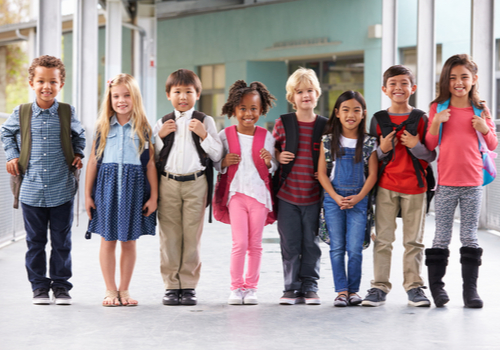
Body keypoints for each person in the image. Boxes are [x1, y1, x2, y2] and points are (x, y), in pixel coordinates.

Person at [1, 55, 86, 305]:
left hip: (62, 188)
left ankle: (61, 287)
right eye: (41, 81)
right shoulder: (22, 112)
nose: (46, 86)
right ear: (31, 83)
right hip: (31, 190)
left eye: (52, 81)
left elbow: (79, 136)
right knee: (35, 242)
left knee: (62, 242)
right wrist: (12, 156)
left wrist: (79, 154)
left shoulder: (67, 112)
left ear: (61, 84)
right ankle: (39, 287)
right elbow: (5, 133)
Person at [425, 54, 497, 308]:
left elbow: (493, 143)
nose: (458, 82)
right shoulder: (439, 108)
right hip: (446, 184)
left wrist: (484, 128)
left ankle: (471, 292)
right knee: (441, 237)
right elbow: (430, 145)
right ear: (445, 80)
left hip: (473, 183)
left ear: (474, 79)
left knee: (470, 237)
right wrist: (435, 122)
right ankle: (437, 288)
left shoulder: (480, 109)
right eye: (452, 78)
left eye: (464, 77)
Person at [362, 65, 436, 307]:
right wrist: (382, 149)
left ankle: (414, 287)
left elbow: (430, 156)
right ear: (385, 89)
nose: (399, 88)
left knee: (413, 241)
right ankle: (379, 287)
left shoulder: (422, 119)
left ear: (412, 88)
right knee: (383, 240)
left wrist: (415, 144)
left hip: (416, 187)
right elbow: (371, 156)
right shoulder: (378, 119)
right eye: (393, 84)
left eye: (404, 83)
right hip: (385, 187)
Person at [85, 73, 157, 307]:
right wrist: (87, 195)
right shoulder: (103, 127)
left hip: (134, 191)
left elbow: (150, 164)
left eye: (126, 95)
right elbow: (93, 162)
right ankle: (109, 290)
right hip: (106, 190)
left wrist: (154, 196)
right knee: (107, 240)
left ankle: (124, 291)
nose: (121, 100)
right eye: (116, 96)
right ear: (110, 99)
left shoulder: (144, 129)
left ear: (135, 97)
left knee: (128, 241)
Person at [154, 69, 222, 306]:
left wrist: (204, 135)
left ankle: (189, 285)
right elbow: (150, 156)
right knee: (169, 236)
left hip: (196, 183)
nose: (183, 97)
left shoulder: (205, 121)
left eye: (188, 92)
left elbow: (218, 155)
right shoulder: (162, 122)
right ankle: (172, 285)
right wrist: (160, 137)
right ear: (168, 95)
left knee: (192, 236)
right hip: (167, 183)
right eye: (177, 92)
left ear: (198, 94)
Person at [213, 80, 277, 305]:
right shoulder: (225, 135)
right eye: (242, 108)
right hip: (236, 195)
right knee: (239, 243)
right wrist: (223, 162)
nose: (248, 113)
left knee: (255, 244)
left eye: (253, 109)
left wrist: (269, 163)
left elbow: (273, 167)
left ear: (261, 110)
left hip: (259, 197)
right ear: (233, 110)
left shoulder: (266, 136)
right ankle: (235, 287)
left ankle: (251, 288)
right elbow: (217, 163)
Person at [273, 67, 327, 305]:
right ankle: (291, 287)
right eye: (299, 91)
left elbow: (332, 155)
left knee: (311, 243)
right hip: (287, 196)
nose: (305, 95)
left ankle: (310, 285)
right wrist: (277, 156)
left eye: (310, 90)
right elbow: (272, 147)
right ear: (291, 97)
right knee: (290, 243)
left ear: (317, 93)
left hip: (314, 196)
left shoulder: (325, 126)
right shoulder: (283, 123)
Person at [318, 91, 378, 307]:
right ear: (337, 113)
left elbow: (372, 174)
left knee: (354, 248)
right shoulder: (328, 140)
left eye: (356, 110)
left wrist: (360, 197)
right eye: (345, 110)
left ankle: (354, 290)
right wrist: (335, 196)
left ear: (363, 114)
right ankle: (341, 291)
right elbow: (322, 173)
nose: (350, 114)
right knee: (337, 247)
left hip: (359, 201)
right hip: (333, 200)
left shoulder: (370, 141)